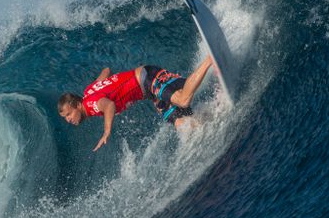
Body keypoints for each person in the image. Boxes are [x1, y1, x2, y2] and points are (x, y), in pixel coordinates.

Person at [58, 55, 213, 151]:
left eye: (68, 114)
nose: (68, 119)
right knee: (182, 125)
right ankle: (214, 112)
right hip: (149, 91)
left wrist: (107, 131)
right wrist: (110, 84)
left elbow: (109, 105)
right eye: (65, 117)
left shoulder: (91, 105)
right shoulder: (89, 92)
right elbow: (106, 71)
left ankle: (210, 60)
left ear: (77, 104)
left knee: (183, 100)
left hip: (147, 79)